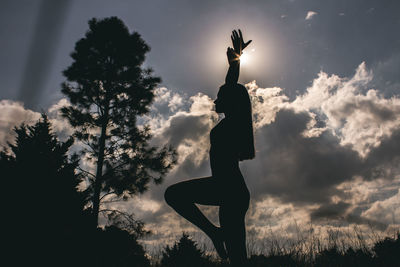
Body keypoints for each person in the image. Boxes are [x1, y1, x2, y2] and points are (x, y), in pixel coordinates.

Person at [164, 29, 254, 266]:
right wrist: (236, 58)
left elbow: (231, 85)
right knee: (236, 257)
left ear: (232, 101)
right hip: (227, 189)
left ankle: (214, 233)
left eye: (219, 97)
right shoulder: (230, 123)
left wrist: (236, 60)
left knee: (173, 194)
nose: (215, 101)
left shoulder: (235, 122)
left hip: (230, 188)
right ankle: (215, 233)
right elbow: (230, 86)